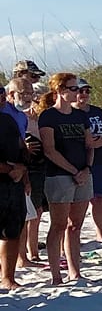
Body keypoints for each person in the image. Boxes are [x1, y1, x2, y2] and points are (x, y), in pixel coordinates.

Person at [38, 72, 94, 284]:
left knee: (75, 225)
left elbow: (89, 145)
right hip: (59, 175)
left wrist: (86, 168)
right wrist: (74, 171)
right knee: (59, 224)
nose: (77, 92)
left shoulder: (80, 116)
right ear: (60, 91)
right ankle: (56, 275)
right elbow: (50, 150)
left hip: (83, 173)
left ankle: (75, 271)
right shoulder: (49, 116)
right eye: (72, 88)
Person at [73, 79, 102, 243]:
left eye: (87, 91)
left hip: (100, 159)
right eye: (79, 90)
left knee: (98, 197)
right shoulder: (69, 113)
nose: (83, 94)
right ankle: (74, 235)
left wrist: (100, 142)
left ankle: (101, 234)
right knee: (78, 200)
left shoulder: (97, 112)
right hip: (78, 161)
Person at [9, 78, 45, 266]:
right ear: (11, 94)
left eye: (30, 93)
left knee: (30, 211)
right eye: (23, 93)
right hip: (10, 167)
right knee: (17, 214)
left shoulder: (27, 115)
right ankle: (20, 258)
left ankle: (26, 255)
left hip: (29, 167)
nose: (28, 97)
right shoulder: (7, 112)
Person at [1, 103, 28, 290]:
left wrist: (23, 169)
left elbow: (22, 146)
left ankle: (8, 277)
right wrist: (10, 169)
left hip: (14, 182)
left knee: (13, 230)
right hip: (5, 175)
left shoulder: (8, 119)